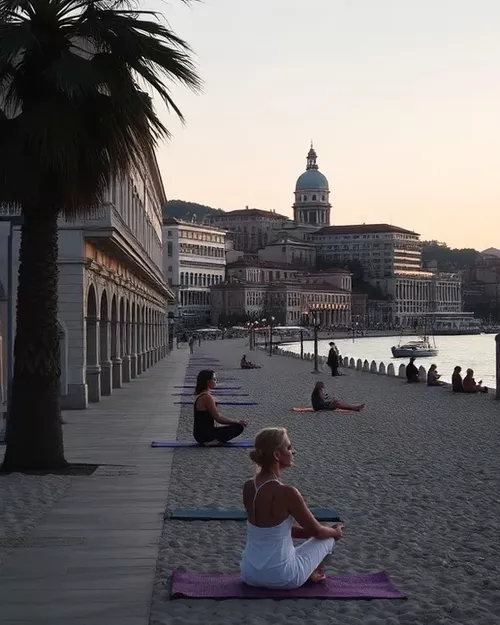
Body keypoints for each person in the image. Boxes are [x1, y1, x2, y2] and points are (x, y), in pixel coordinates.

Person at [240, 427, 344, 589]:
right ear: (277, 455)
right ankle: (314, 573)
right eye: (289, 447)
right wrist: (335, 532)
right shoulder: (287, 492)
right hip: (283, 577)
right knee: (328, 539)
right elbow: (316, 531)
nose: (293, 451)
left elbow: (277, 530)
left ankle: (310, 571)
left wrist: (316, 531)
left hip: (249, 574)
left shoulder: (248, 486)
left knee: (320, 535)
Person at [193, 370, 248, 446]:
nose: (216, 381)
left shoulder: (201, 395)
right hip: (205, 435)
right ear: (208, 381)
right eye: (214, 379)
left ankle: (211, 441)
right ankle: (210, 442)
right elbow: (218, 418)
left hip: (199, 434)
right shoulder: (206, 397)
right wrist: (237, 422)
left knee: (232, 427)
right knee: (239, 427)